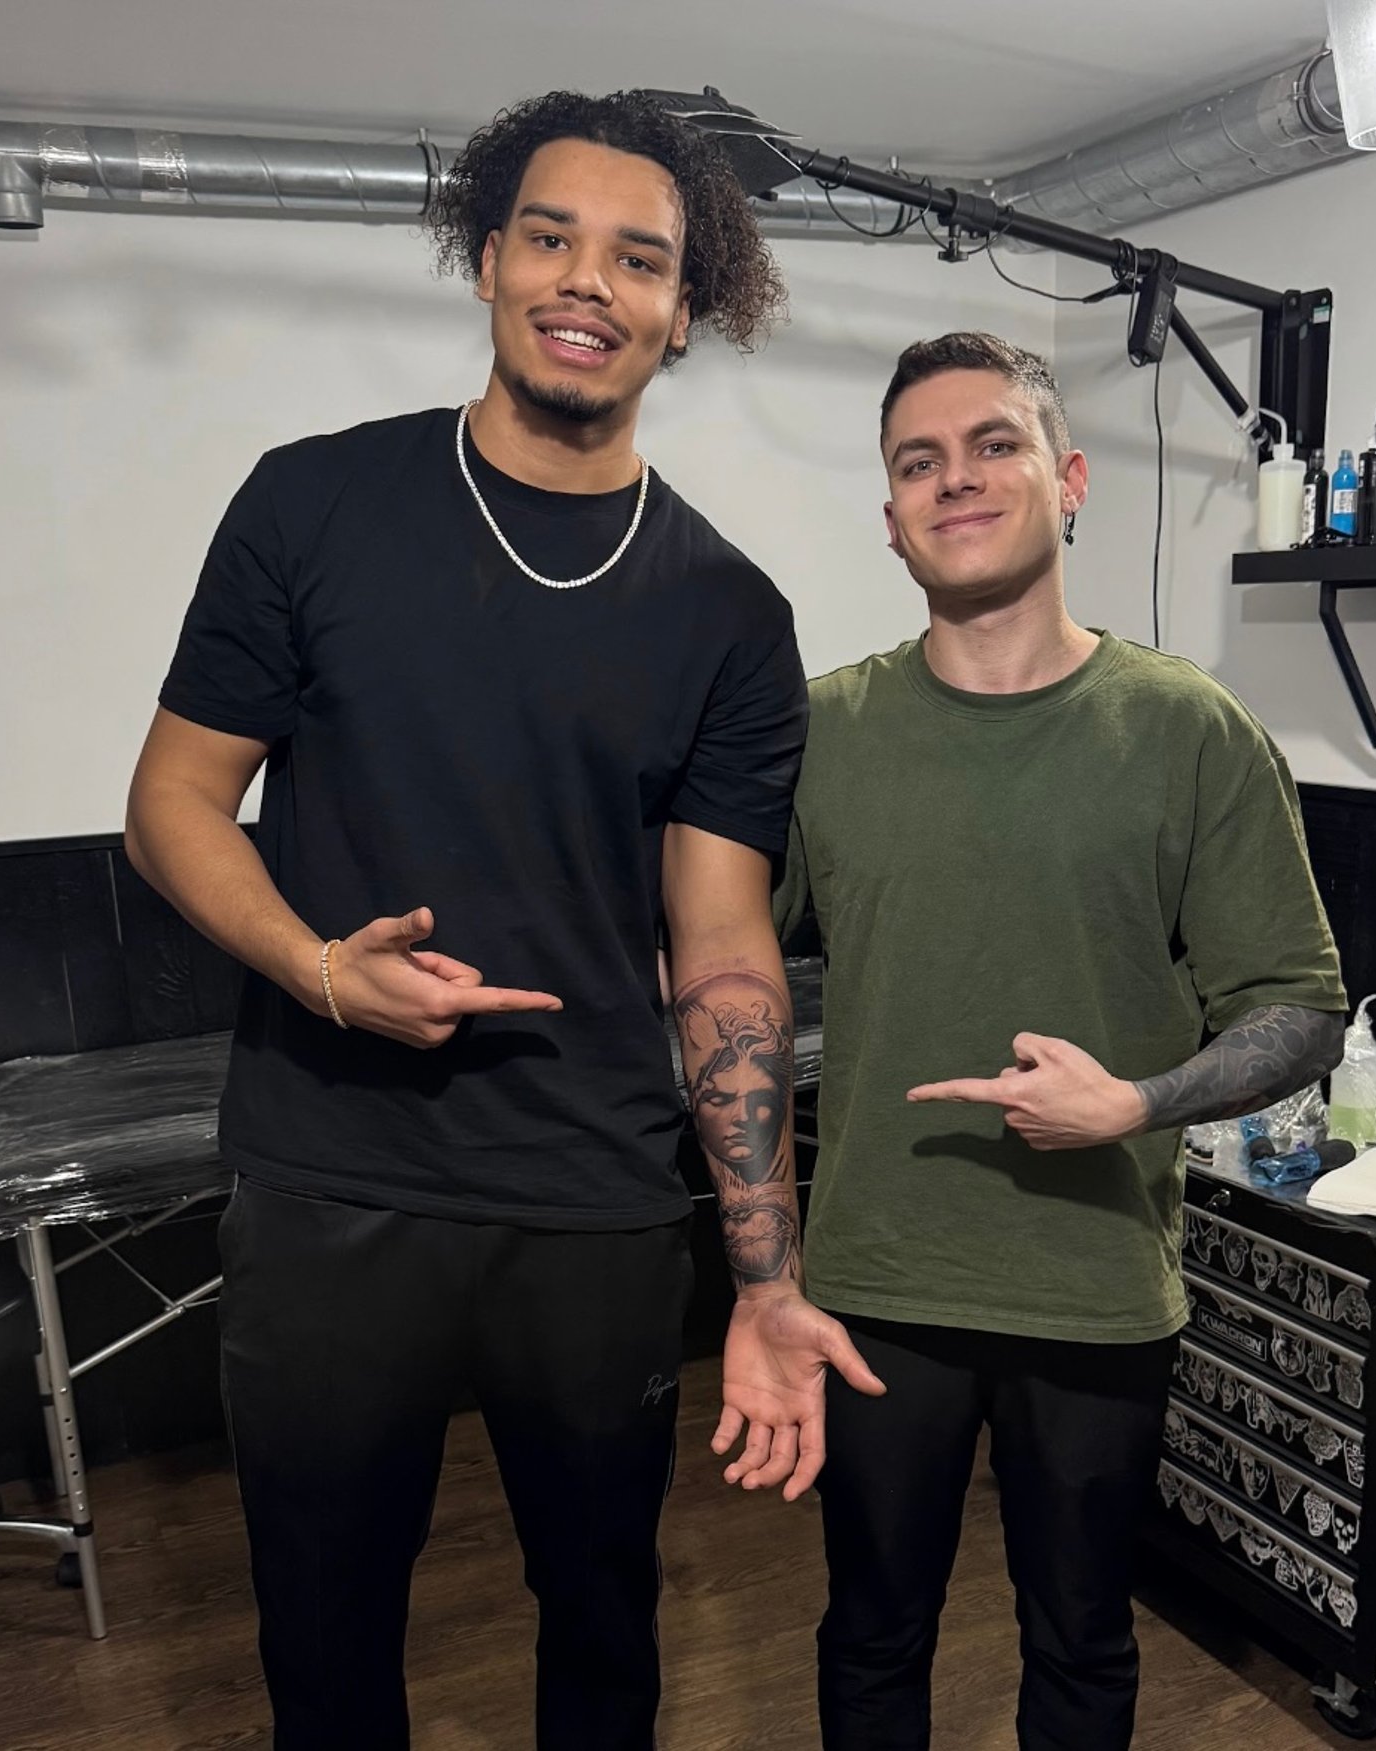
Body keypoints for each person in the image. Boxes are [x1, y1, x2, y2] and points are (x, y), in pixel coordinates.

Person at [125, 89, 878, 1751]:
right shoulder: (313, 507)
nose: (587, 281)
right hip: (331, 1179)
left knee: (606, 1627)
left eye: (639, 259)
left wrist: (764, 1274)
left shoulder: (733, 617)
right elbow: (171, 804)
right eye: (551, 236)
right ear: (486, 258)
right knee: (325, 1638)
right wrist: (320, 972)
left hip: (595, 1202)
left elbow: (727, 946)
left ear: (688, 313)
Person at [772, 331, 1346, 1751]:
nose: (954, 480)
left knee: (1083, 1639)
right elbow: (716, 965)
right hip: (878, 1279)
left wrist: (1137, 1103)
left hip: (1092, 1285)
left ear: (1067, 478)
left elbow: (1298, 1007)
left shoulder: (1189, 730)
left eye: (992, 446)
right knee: (869, 1633)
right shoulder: (818, 735)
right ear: (892, 512)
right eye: (919, 462)